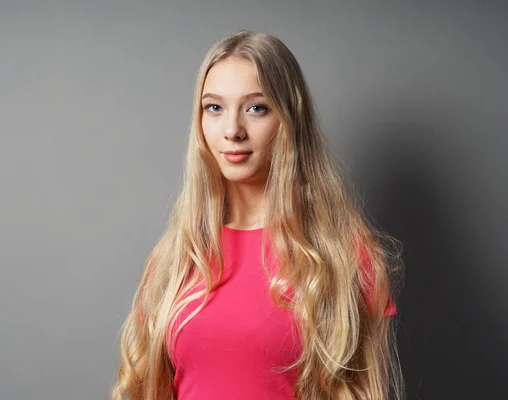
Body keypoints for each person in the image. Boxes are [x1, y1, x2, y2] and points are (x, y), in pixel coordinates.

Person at [110, 30, 404, 400]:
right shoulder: (174, 259)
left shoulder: (345, 257)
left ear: (288, 119)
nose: (232, 130)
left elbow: (364, 389)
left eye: (256, 108)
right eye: (214, 108)